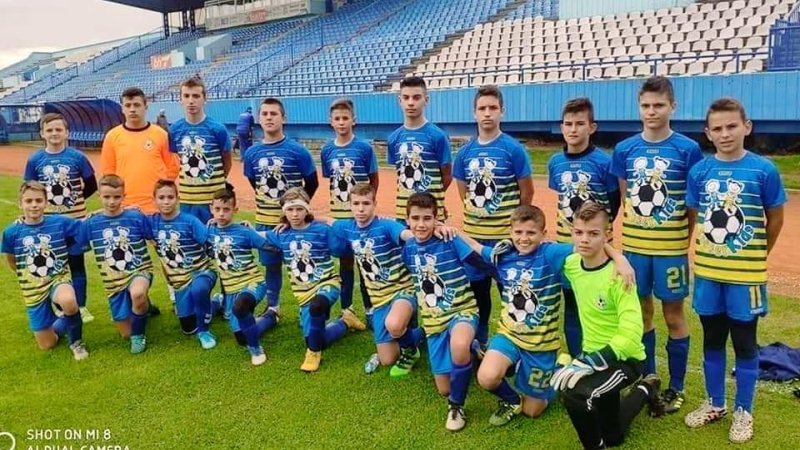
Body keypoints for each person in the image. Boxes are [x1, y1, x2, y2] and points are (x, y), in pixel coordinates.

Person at [460, 205, 633, 426]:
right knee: (486, 377)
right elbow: (475, 246)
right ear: (511, 232)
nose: (524, 238)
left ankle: (558, 367)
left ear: (544, 234)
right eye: (518, 232)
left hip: (541, 345)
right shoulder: (504, 255)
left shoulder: (550, 253)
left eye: (531, 233)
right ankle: (511, 400)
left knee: (533, 411)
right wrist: (449, 230)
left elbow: (585, 245)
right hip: (509, 336)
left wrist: (620, 259)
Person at [683, 98, 786, 443]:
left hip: (746, 278)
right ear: (707, 133)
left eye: (731, 126)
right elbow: (696, 217)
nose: (725, 134)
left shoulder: (764, 170)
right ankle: (715, 403)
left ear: (747, 127)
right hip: (708, 274)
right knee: (712, 340)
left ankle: (744, 410)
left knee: (744, 343)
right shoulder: (700, 172)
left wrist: (756, 255)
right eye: (718, 128)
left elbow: (775, 219)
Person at [611, 76, 704, 412]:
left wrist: (679, 240)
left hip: (670, 251)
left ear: (672, 106)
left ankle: (676, 387)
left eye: (659, 105)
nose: (652, 111)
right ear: (639, 107)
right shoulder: (624, 149)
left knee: (674, 314)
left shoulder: (688, 149)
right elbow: (626, 198)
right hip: (635, 250)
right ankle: (648, 379)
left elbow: (691, 206)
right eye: (646, 105)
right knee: (642, 313)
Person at [554, 201, 663, 450]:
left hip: (624, 360)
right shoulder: (572, 264)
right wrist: (618, 254)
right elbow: (536, 247)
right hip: (592, 355)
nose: (584, 239)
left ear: (607, 234)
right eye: (579, 232)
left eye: (593, 233)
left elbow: (631, 334)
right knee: (614, 436)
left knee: (575, 395)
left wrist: (593, 360)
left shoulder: (620, 277)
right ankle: (647, 388)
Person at [453, 85, 534, 352]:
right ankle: (482, 337)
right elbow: (464, 192)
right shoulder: (464, 153)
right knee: (478, 292)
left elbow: (527, 192)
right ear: (474, 113)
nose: (487, 113)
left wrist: (514, 231)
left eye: (492, 108)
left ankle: (514, 340)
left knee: (510, 292)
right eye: (482, 108)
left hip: (504, 241)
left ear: (502, 111)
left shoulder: (513, 149)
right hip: (474, 239)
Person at [328, 183, 428, 377]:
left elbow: (406, 234)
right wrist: (298, 217)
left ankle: (411, 351)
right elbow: (328, 221)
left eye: (366, 203)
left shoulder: (386, 225)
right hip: (379, 299)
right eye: (356, 203)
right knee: (387, 359)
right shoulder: (347, 227)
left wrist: (426, 232)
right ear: (350, 205)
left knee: (394, 324)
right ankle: (424, 333)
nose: (361, 209)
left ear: (375, 204)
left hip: (402, 290)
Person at [401, 192, 481, 431]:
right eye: (416, 218)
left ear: (436, 219)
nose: (421, 224)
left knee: (458, 345)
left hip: (462, 310)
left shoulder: (449, 239)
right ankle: (474, 349)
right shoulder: (409, 248)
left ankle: (456, 407)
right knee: (444, 387)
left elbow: (479, 261)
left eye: (427, 218)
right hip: (434, 320)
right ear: (407, 220)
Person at [547, 97, 620, 357]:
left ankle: (600, 358)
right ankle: (578, 358)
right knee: (571, 306)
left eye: (580, 123)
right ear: (561, 127)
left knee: (598, 306)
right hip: (568, 247)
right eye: (568, 124)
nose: (573, 129)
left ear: (592, 127)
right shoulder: (555, 162)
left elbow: (613, 203)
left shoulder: (604, 162)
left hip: (597, 249)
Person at [264, 188, 366, 372]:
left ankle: (313, 353)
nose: (295, 214)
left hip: (327, 283)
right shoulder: (281, 234)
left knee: (317, 308)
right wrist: (242, 227)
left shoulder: (321, 230)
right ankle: (345, 322)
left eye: (299, 209)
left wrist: (334, 231)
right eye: (290, 210)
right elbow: (257, 237)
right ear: (284, 212)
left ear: (307, 210)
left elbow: (340, 248)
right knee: (316, 339)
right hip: (303, 293)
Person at [243, 97, 318, 316]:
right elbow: (254, 183)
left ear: (283, 118)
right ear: (259, 119)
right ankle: (273, 306)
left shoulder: (298, 151)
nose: (269, 118)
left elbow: (312, 183)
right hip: (265, 221)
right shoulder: (251, 153)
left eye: (274, 113)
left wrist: (295, 211)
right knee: (271, 265)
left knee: (302, 263)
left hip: (293, 224)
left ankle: (308, 308)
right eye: (264, 114)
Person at [1, 181, 88, 360]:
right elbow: (11, 259)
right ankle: (64, 320)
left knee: (68, 300)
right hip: (33, 288)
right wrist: (27, 276)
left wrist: (104, 213)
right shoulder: (11, 232)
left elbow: (87, 225)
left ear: (46, 202)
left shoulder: (60, 222)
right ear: (20, 204)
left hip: (58, 278)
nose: (34, 205)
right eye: (29, 201)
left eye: (38, 200)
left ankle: (77, 343)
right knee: (47, 344)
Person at [25, 112, 97, 322]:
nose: (54, 133)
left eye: (58, 129)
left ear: (66, 132)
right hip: (48, 224)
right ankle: (59, 306)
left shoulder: (77, 157)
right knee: (52, 265)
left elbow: (91, 184)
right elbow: (30, 189)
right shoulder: (35, 160)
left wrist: (74, 200)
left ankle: (80, 306)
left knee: (76, 264)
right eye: (49, 130)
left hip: (75, 222)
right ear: (42, 133)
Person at [78, 175, 153, 354]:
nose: (112, 201)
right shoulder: (91, 223)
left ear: (124, 196)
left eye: (117, 197)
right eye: (107, 197)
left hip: (139, 270)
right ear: (99, 196)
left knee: (137, 293)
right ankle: (143, 307)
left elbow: (155, 233)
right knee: (125, 334)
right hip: (113, 282)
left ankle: (139, 335)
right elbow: (75, 242)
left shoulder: (135, 217)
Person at [320, 98, 378, 322]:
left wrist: (366, 207)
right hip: (339, 216)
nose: (341, 122)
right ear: (331, 122)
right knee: (345, 262)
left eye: (345, 118)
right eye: (337, 118)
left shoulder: (364, 148)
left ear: (354, 120)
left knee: (365, 262)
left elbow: (373, 180)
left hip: (361, 217)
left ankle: (370, 308)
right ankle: (347, 308)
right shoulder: (327, 150)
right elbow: (331, 179)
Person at [206, 185, 279, 366]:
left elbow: (270, 246)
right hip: (231, 289)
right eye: (217, 209)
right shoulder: (210, 231)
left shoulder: (244, 231)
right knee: (241, 337)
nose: (221, 213)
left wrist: (287, 237)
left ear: (235, 210)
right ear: (211, 209)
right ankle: (270, 316)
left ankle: (256, 349)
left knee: (240, 308)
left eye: (226, 209)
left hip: (252, 283)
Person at [147, 179, 218, 349]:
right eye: (161, 197)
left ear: (177, 198)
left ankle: (204, 332)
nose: (166, 202)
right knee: (188, 328)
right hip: (179, 281)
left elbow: (210, 241)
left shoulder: (190, 221)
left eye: (170, 197)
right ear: (154, 199)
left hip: (201, 271)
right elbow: (128, 221)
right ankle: (216, 303)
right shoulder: (151, 222)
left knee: (199, 290)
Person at [101, 87, 179, 214]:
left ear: (146, 107)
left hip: (156, 208)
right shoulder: (112, 136)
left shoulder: (161, 135)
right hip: (125, 207)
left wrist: (162, 194)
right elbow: (108, 172)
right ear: (122, 109)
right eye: (128, 105)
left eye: (137, 105)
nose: (132, 109)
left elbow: (173, 167)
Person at [168, 76, 232, 225]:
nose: (191, 101)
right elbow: (178, 159)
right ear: (180, 99)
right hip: (187, 200)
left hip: (213, 201)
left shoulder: (217, 129)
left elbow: (227, 161)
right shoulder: (174, 130)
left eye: (196, 96)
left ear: (205, 99)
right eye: (186, 96)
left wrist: (211, 180)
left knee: (213, 237)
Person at [387, 76, 451, 223]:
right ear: (400, 101)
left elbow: (447, 175)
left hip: (431, 214)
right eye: (406, 98)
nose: (411, 103)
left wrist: (433, 196)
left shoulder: (438, 136)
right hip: (404, 215)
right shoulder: (393, 138)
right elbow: (400, 174)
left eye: (416, 97)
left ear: (426, 100)